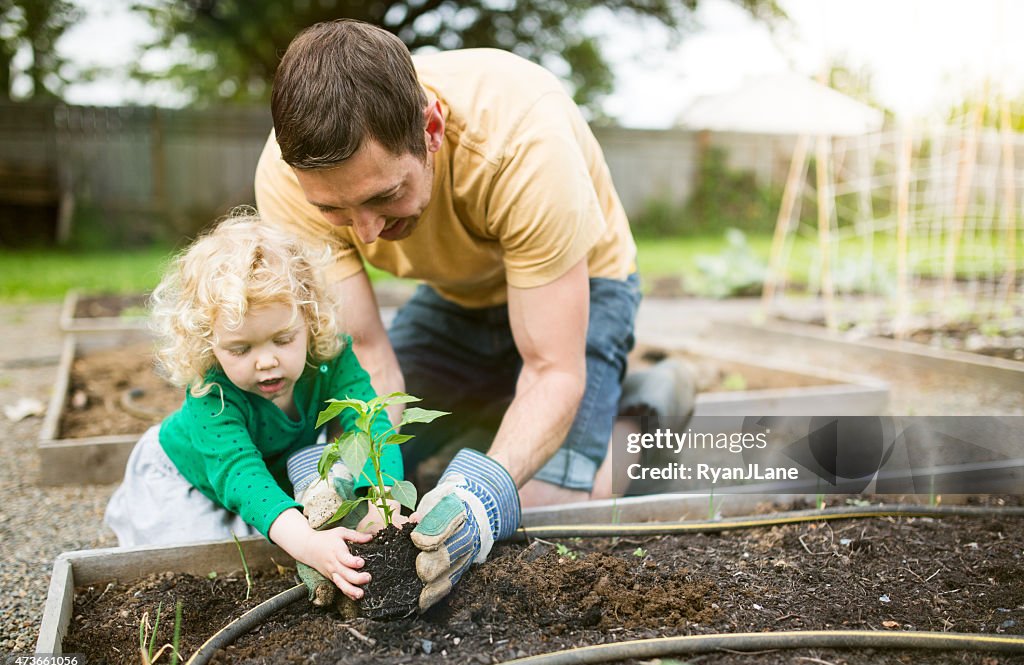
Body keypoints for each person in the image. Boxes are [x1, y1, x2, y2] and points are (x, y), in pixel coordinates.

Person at [255, 20, 670, 611]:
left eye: (382, 197)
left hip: (584, 284)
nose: (366, 233)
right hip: (455, 293)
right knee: (400, 474)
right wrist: (355, 481)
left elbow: (552, 368)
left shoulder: (522, 144)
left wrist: (482, 495)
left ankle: (648, 403)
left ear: (431, 130)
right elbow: (369, 355)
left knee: (551, 506)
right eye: (336, 210)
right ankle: (500, 416)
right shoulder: (286, 179)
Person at [104, 210, 405, 603]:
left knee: (278, 532)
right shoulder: (212, 396)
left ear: (309, 320)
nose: (265, 361)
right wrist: (309, 546)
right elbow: (240, 475)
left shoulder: (330, 358)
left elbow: (369, 423)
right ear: (207, 342)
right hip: (183, 479)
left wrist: (383, 504)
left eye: (282, 340)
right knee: (203, 565)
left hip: (266, 466)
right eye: (240, 349)